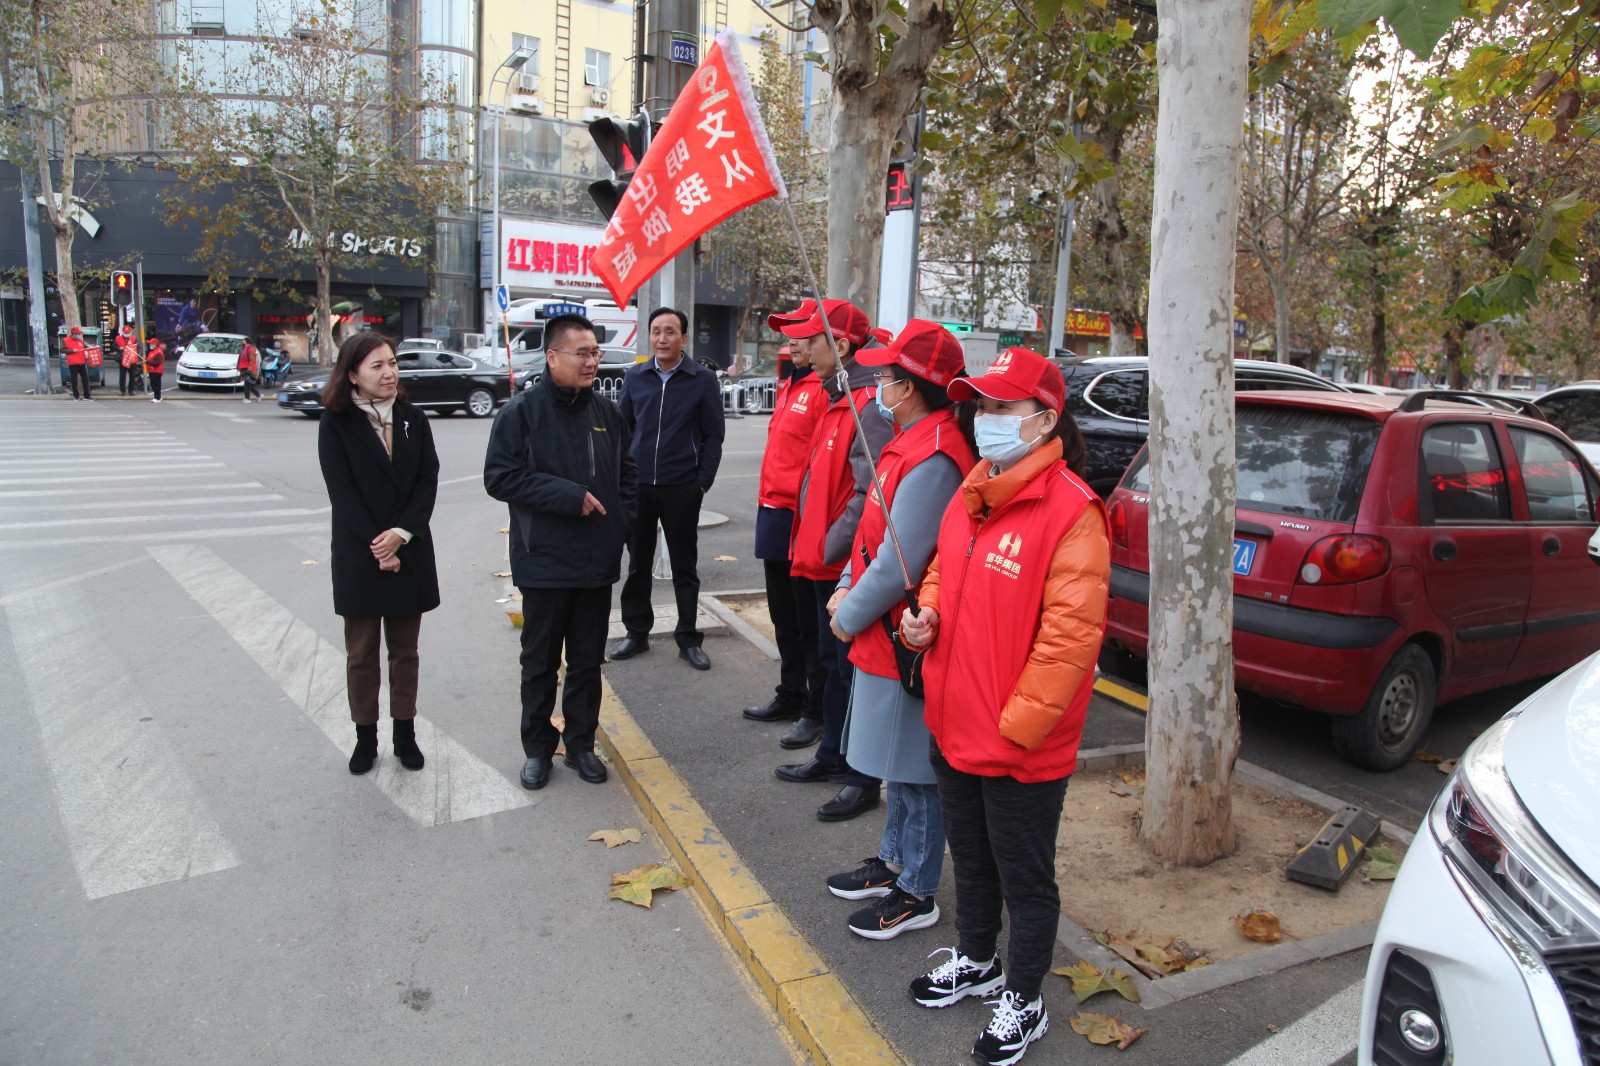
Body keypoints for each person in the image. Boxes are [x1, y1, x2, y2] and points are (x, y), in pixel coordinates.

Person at [898, 347, 1109, 1066]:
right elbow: (937, 576)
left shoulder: (1073, 511)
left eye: (1001, 407)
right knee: (972, 859)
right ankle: (976, 956)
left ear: (1045, 419)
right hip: (955, 723)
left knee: (1026, 876)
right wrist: (920, 618)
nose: (984, 419)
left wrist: (1013, 731)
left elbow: (1068, 645)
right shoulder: (974, 491)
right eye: (979, 406)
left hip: (1019, 745)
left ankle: (1024, 994)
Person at [823, 320, 974, 940]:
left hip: (902, 634)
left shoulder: (935, 456)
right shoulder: (910, 440)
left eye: (885, 375)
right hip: (881, 630)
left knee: (914, 769)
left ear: (910, 388)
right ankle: (893, 861)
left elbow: (900, 561)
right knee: (896, 761)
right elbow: (872, 544)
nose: (876, 383)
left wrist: (849, 611)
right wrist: (843, 591)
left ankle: (917, 888)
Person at [484, 314, 637, 790]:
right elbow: (500, 477)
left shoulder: (607, 414)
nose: (592, 361)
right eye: (582, 353)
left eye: (595, 352)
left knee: (588, 660)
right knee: (541, 662)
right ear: (552, 357)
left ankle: (581, 745)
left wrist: (618, 525)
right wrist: (567, 496)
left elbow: (626, 476)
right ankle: (537, 748)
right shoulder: (522, 413)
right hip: (543, 561)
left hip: (595, 560)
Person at [772, 299, 893, 822]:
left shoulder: (868, 405)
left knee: (849, 669)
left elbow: (870, 496)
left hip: (844, 565)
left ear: (841, 346)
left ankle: (855, 770)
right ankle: (834, 756)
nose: (799, 347)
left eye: (811, 339)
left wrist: (829, 550)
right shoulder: (835, 396)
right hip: (823, 561)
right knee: (832, 665)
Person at [316, 333, 441, 776]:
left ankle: (404, 734)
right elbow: (343, 494)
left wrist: (402, 534)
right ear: (353, 375)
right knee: (362, 653)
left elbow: (428, 480)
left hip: (409, 551)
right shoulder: (336, 423)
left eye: (392, 363)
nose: (389, 373)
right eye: (377, 366)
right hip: (360, 554)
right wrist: (380, 545)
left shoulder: (413, 418)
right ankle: (364, 738)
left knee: (405, 652)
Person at [608, 307, 725, 671]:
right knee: (638, 564)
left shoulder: (702, 379)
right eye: (656, 331)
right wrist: (622, 481)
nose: (662, 338)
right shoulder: (636, 376)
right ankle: (637, 632)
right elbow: (620, 431)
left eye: (670, 332)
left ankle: (688, 638)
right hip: (639, 487)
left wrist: (700, 484)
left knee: (684, 567)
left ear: (683, 338)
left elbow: (713, 437)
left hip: (681, 488)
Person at [741, 307, 832, 750]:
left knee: (806, 621)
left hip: (801, 517)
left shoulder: (824, 389)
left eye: (802, 335)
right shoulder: (792, 382)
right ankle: (790, 692)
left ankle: (813, 708)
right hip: (773, 511)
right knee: (782, 615)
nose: (794, 343)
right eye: (789, 336)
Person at [63, 326, 91, 400]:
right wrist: (72, 350)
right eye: (78, 334)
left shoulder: (80, 341)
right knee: (74, 380)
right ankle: (76, 396)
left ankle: (87, 395)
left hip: (82, 362)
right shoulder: (66, 340)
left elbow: (86, 347)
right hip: (73, 362)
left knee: (85, 379)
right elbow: (62, 350)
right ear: (73, 334)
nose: (79, 335)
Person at [116, 325, 141, 395]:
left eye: (128, 332)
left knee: (132, 375)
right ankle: (122, 390)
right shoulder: (118, 338)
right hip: (122, 359)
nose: (126, 334)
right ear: (123, 332)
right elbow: (114, 346)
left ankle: (131, 390)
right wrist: (119, 348)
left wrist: (133, 346)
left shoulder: (134, 338)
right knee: (122, 375)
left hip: (131, 359)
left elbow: (138, 345)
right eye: (125, 332)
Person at [145, 336, 166, 402]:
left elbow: (157, 362)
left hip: (156, 371)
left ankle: (157, 398)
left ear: (155, 344)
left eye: (152, 344)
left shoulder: (158, 352)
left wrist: (147, 362)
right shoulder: (153, 351)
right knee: (153, 384)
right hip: (152, 370)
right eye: (150, 344)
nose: (150, 345)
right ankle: (156, 397)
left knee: (156, 385)